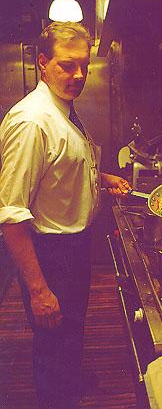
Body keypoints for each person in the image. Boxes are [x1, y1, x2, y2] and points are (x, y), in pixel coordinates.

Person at [0, 21, 131, 408]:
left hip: (73, 247)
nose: (78, 75)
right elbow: (11, 213)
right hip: (50, 252)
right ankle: (57, 397)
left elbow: (63, 161)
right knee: (52, 336)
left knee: (70, 328)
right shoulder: (32, 122)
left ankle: (70, 382)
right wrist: (38, 289)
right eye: (66, 65)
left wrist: (100, 176)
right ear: (43, 63)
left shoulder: (64, 110)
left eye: (83, 66)